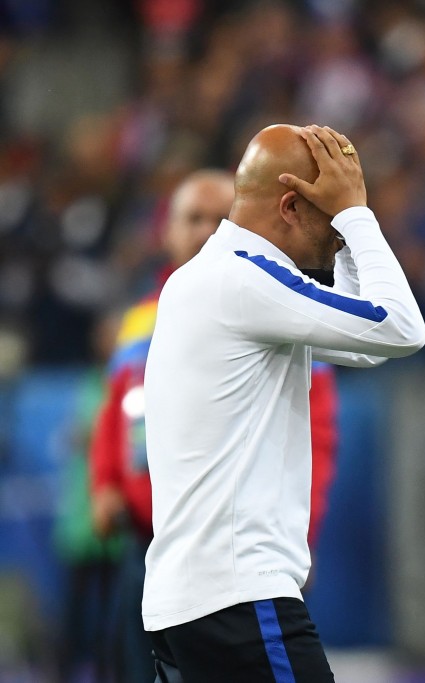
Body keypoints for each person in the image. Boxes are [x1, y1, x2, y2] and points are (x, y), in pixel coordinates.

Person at [142, 124, 425, 681]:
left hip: (189, 601)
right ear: (292, 205)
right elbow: (400, 327)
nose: (336, 235)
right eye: (330, 219)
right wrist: (358, 216)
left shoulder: (206, 279)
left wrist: (342, 232)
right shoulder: (245, 281)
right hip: (238, 597)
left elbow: (366, 348)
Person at [88, 169, 339, 682]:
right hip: (150, 542)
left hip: (232, 551)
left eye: (218, 218)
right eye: (192, 218)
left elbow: (314, 434)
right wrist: (105, 483)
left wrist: (305, 530)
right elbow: (116, 408)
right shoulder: (141, 318)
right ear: (167, 231)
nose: (205, 230)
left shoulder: (279, 302)